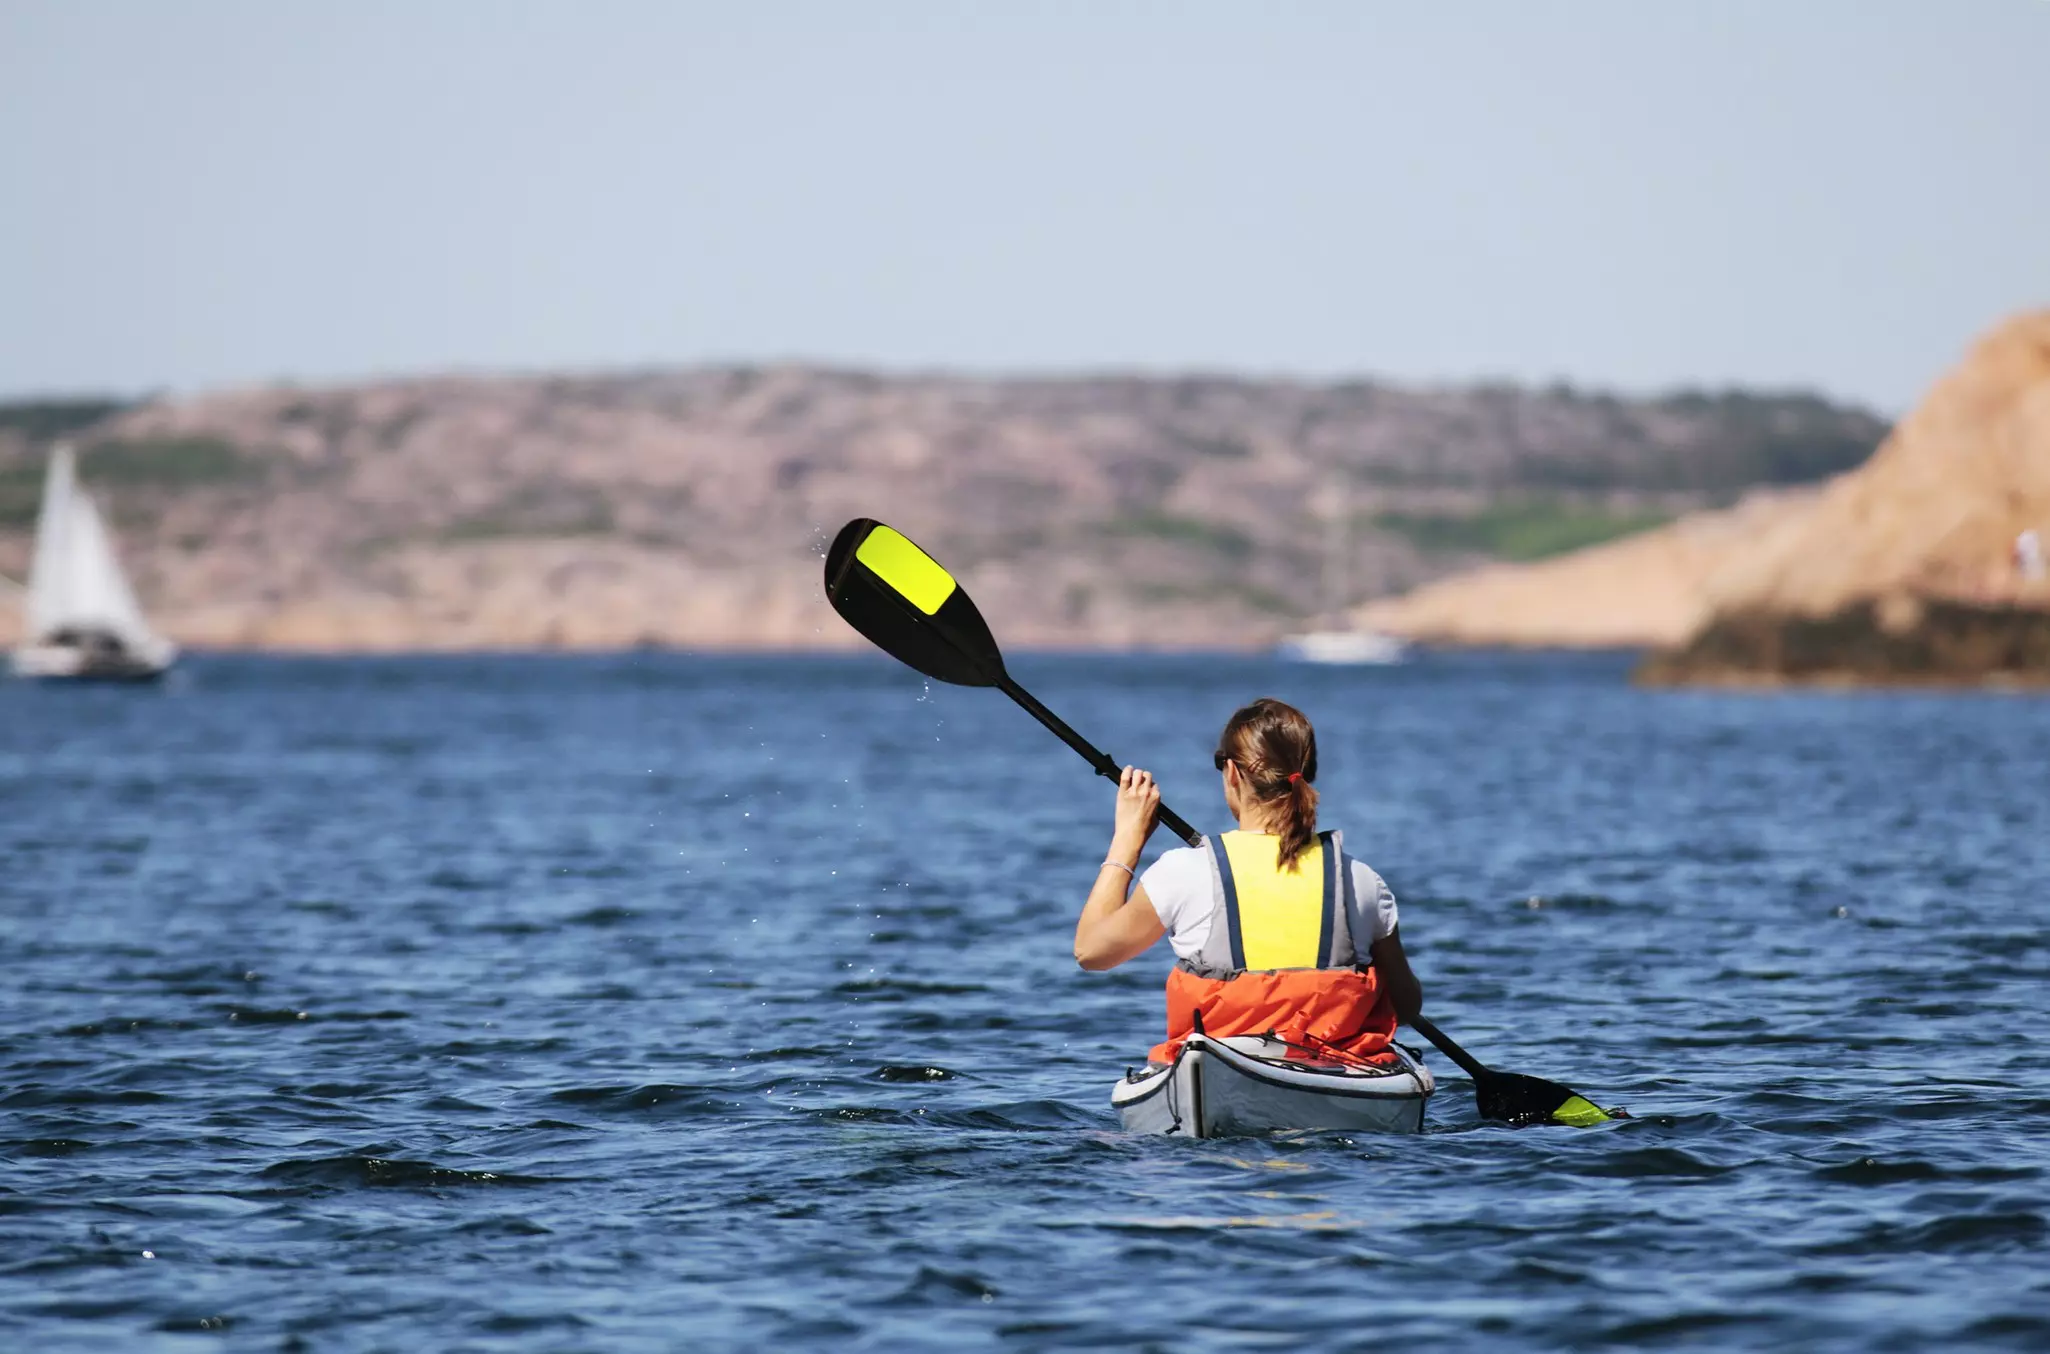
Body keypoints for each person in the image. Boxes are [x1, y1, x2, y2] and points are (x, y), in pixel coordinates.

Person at [1073, 697, 1423, 1066]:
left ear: (1233, 773)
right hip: (1333, 1073)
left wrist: (1127, 839)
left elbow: (1092, 953)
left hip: (1220, 1069)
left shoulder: (1184, 872)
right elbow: (1407, 1005)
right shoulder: (1360, 880)